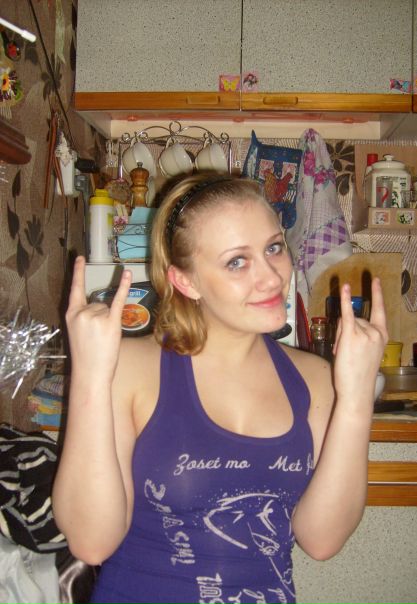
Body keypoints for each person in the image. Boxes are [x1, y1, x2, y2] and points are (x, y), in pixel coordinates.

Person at [52, 174, 388, 604]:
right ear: (186, 282)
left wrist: (356, 399)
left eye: (273, 248)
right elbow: (91, 542)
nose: (271, 278)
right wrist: (89, 375)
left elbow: (322, 541)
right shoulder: (129, 369)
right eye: (237, 261)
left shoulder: (315, 380)